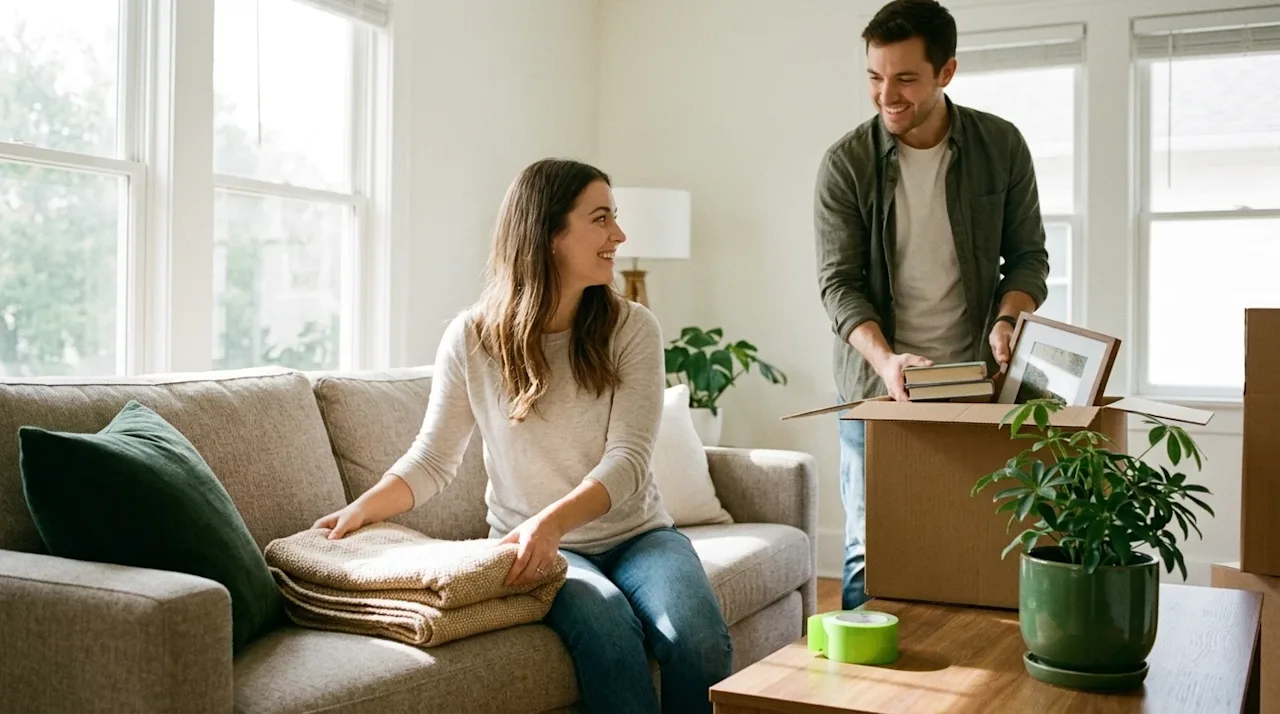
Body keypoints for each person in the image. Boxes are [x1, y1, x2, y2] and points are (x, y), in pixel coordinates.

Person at [313, 158, 733, 714]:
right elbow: (434, 459)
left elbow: (628, 460)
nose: (619, 235)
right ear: (550, 234)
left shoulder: (633, 327)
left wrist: (550, 522)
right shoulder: (472, 338)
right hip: (532, 550)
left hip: (639, 535)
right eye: (601, 219)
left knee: (697, 641)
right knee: (609, 637)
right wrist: (360, 512)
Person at [813, 0, 1050, 609]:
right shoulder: (846, 164)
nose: (886, 95)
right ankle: (859, 695)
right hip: (876, 386)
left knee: (986, 540)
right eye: (874, 76)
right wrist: (888, 362)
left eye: (905, 78)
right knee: (871, 548)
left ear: (946, 72)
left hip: (980, 380)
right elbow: (839, 286)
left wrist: (1007, 319)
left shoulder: (1001, 146)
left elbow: (1027, 258)